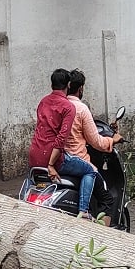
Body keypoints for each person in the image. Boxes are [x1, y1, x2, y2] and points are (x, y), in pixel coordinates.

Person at [28, 68, 99, 219]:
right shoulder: (68, 107)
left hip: (35, 155)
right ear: (68, 85)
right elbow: (61, 139)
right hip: (53, 158)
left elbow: (41, 129)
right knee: (90, 171)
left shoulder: (43, 102)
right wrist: (51, 165)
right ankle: (84, 211)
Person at [65, 69, 122, 226]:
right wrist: (113, 140)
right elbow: (96, 141)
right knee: (107, 199)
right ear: (81, 88)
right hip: (78, 160)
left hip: (59, 160)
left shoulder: (59, 106)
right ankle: (103, 236)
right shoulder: (81, 108)